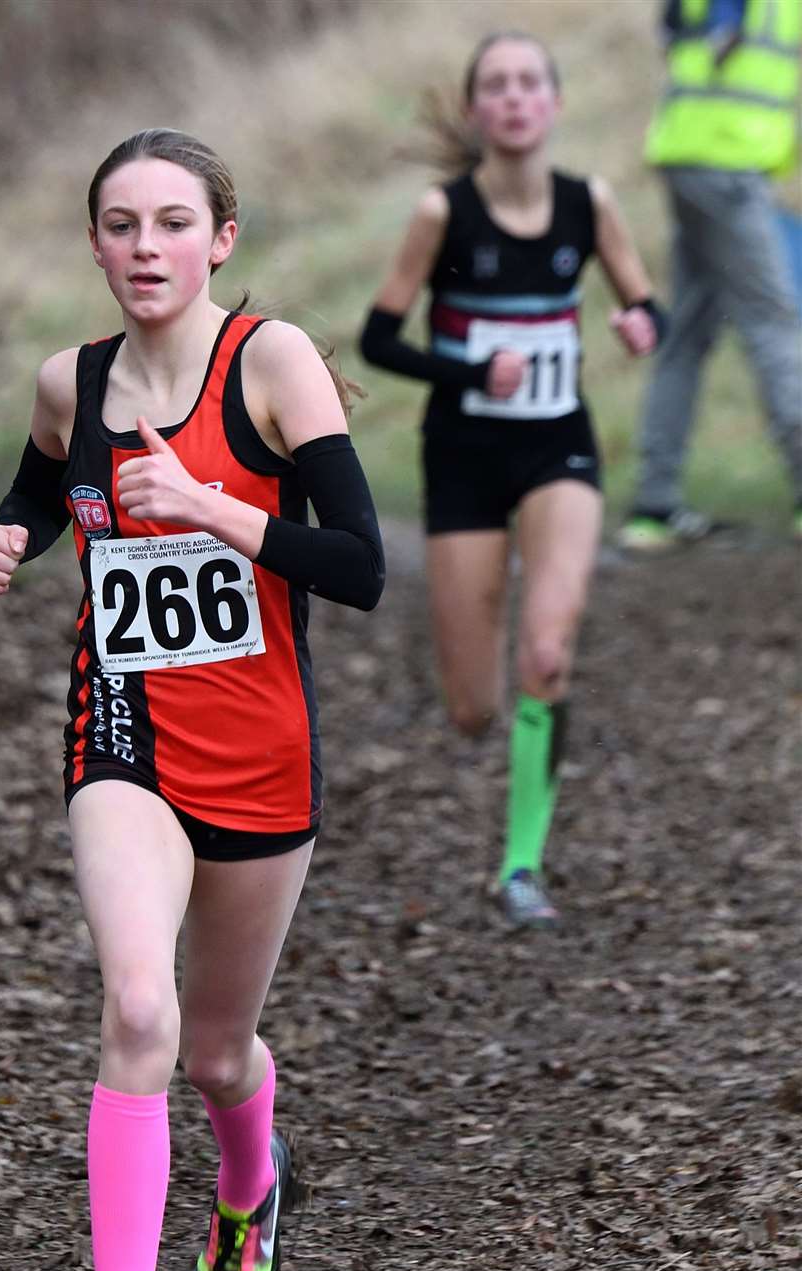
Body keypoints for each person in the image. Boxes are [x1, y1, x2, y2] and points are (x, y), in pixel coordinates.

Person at [0, 128, 383, 1271]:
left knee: (214, 1051)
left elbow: (362, 564)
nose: (145, 249)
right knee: (136, 1009)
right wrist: (15, 534)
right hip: (123, 737)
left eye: (171, 223)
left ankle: (251, 1191)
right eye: (120, 225)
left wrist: (212, 504)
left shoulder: (272, 361)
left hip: (263, 752)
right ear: (93, 243)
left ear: (222, 238)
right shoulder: (66, 381)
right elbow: (45, 483)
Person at [359, 30, 664, 929]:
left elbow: (645, 300)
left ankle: (521, 866)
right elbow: (379, 339)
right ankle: (485, 711)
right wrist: (467, 372)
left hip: (557, 450)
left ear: (555, 103)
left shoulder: (588, 203)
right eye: (497, 85)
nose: (516, 98)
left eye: (531, 82)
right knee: (472, 709)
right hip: (461, 458)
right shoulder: (440, 214)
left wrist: (643, 324)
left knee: (546, 653)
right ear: (476, 110)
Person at [620, 0, 802, 550]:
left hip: (696, 156)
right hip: (725, 163)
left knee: (688, 334)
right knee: (774, 323)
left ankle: (654, 504)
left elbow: (672, 28)